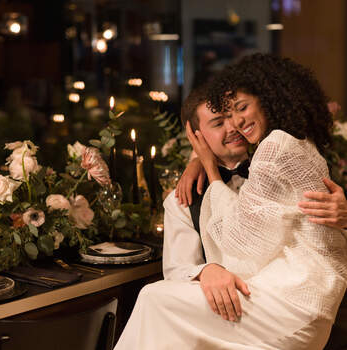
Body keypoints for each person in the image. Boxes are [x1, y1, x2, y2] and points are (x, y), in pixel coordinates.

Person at [114, 54, 347, 349]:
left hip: (292, 300)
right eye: (219, 121)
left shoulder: (273, 148)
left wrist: (209, 169)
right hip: (290, 298)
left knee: (153, 299)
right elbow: (178, 269)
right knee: (161, 307)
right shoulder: (185, 197)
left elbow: (242, 242)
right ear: (197, 138)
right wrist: (207, 270)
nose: (234, 125)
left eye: (240, 110)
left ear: (267, 99)